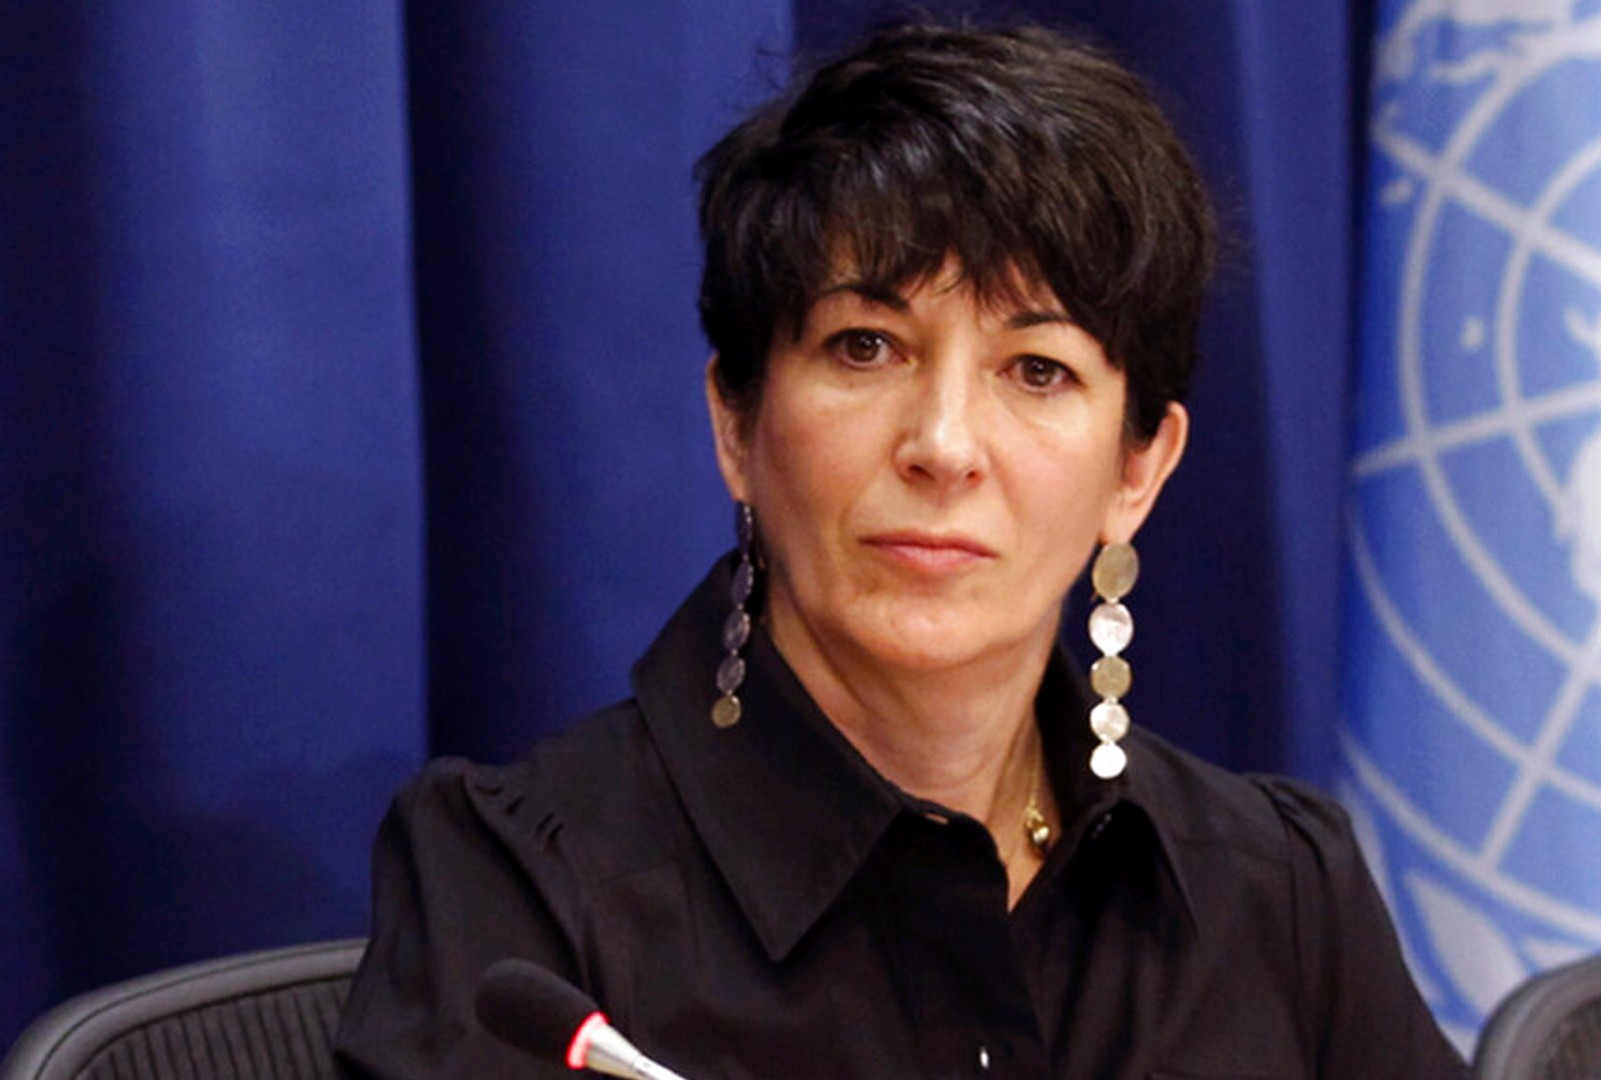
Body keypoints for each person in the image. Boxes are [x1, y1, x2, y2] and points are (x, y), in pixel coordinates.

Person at [333, 20, 1466, 1080]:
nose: (943, 446)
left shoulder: (1280, 888)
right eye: (866, 346)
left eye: (1037, 370)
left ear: (1138, 471)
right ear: (738, 424)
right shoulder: (523, 889)